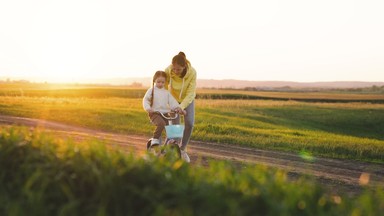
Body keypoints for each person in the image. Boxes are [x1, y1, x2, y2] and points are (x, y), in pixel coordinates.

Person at [164, 52, 197, 163]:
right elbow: (163, 86)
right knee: (175, 128)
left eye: (178, 69)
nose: (175, 71)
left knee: (190, 122)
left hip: (187, 100)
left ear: (184, 67)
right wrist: (167, 101)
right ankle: (172, 149)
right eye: (174, 69)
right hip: (173, 99)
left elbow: (190, 93)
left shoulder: (192, 72)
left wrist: (181, 106)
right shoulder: (168, 70)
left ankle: (182, 149)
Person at [143, 71, 185, 148]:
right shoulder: (151, 91)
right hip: (155, 113)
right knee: (161, 124)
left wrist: (178, 108)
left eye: (162, 82)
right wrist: (148, 108)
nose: (160, 84)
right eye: (158, 82)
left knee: (170, 128)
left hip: (165, 114)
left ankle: (170, 141)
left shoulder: (166, 92)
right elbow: (146, 100)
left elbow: (172, 102)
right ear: (154, 80)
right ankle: (155, 139)